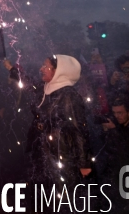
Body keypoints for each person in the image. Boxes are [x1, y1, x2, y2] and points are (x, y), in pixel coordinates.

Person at [26, 55, 92, 205]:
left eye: (46, 66)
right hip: (47, 153)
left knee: (66, 199)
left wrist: (84, 163)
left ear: (59, 71)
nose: (41, 69)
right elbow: (30, 85)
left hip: (64, 156)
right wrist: (13, 70)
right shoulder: (48, 90)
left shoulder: (68, 95)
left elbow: (79, 130)